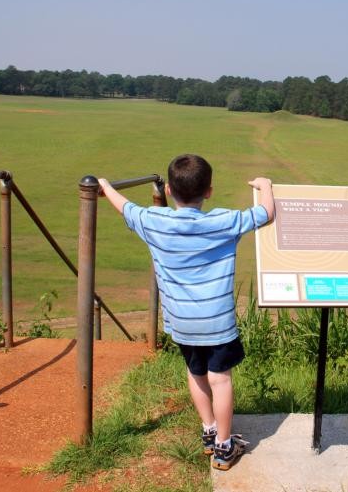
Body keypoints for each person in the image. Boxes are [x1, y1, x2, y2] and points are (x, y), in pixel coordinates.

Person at [98, 154, 274, 471]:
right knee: (220, 379)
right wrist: (265, 185)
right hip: (218, 322)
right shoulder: (223, 221)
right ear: (208, 191)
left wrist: (105, 186)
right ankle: (224, 446)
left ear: (167, 190)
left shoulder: (154, 221)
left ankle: (209, 431)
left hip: (181, 322)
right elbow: (266, 214)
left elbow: (125, 207)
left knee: (196, 372)